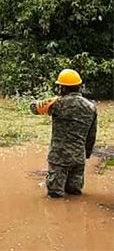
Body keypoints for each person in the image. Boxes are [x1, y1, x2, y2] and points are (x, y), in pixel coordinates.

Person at [30, 69, 97, 198]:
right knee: (75, 194)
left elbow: (34, 108)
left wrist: (49, 101)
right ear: (78, 87)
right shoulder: (91, 107)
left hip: (59, 158)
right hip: (79, 158)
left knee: (55, 196)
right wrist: (86, 154)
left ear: (63, 88)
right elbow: (91, 135)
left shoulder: (57, 104)